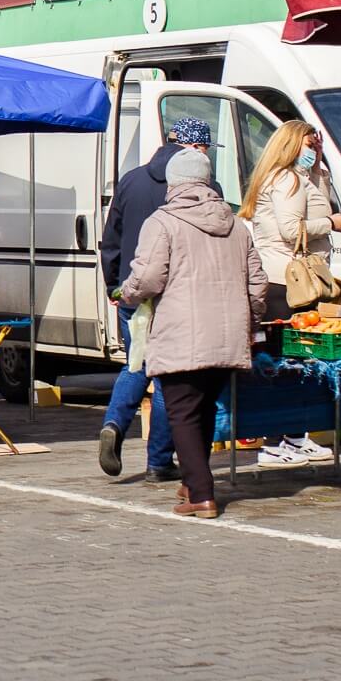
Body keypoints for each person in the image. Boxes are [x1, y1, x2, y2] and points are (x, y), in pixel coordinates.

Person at [117, 149, 267, 519]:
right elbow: (257, 284)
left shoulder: (162, 222)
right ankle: (191, 482)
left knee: (182, 412)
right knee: (202, 408)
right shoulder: (236, 224)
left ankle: (201, 494)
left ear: (172, 183)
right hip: (228, 335)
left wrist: (128, 293)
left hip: (181, 332)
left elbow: (148, 277)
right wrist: (251, 321)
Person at [95, 117, 213, 482]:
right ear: (195, 147)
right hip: (176, 295)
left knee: (136, 364)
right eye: (205, 148)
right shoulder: (203, 187)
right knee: (167, 378)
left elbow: (111, 239)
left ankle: (114, 423)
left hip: (133, 291)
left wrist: (114, 286)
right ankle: (160, 461)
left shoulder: (131, 180)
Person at [241, 121, 341, 466]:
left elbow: (314, 203)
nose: (314, 149)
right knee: (286, 362)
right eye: (309, 144)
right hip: (287, 282)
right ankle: (275, 441)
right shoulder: (286, 179)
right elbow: (291, 230)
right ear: (291, 144)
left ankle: (294, 435)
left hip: (290, 280)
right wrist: (331, 224)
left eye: (317, 145)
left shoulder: (292, 177)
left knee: (296, 362)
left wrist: (319, 169)